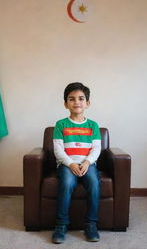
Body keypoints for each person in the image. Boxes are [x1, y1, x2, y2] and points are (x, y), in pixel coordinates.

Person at [52, 82, 102, 244]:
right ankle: (61, 225)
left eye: (81, 99)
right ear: (66, 104)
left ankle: (91, 224)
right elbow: (58, 150)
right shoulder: (61, 124)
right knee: (67, 182)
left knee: (94, 183)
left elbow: (96, 149)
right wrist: (71, 164)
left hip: (88, 164)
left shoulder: (93, 125)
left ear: (88, 103)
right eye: (71, 99)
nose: (76, 102)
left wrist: (87, 162)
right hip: (67, 165)